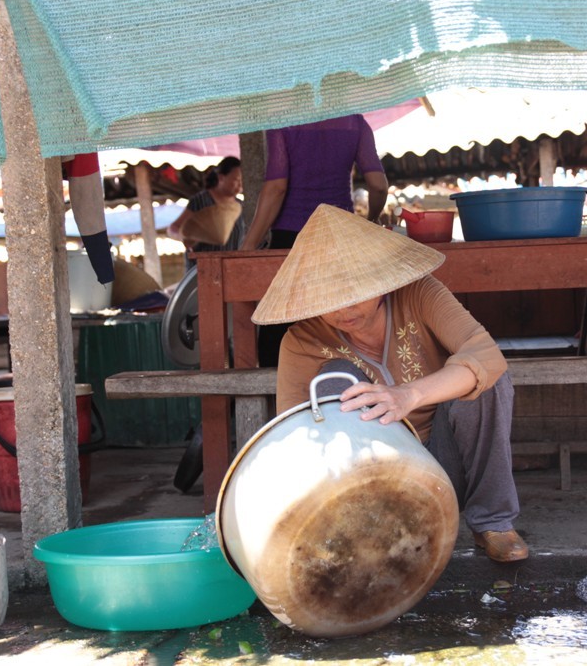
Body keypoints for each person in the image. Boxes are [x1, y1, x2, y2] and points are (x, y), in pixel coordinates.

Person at [250, 204, 528, 563]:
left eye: (356, 291)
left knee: (487, 380)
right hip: (379, 485)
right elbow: (294, 434)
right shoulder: (301, 342)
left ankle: (493, 523)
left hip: (450, 460)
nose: (344, 308)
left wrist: (408, 395)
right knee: (333, 383)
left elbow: (487, 355)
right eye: (329, 299)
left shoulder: (418, 294)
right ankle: (372, 533)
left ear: (382, 280)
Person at [240, 114, 389, 367]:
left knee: (280, 327)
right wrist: (372, 219)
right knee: (336, 321)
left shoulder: (283, 122)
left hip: (290, 241)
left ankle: (279, 397)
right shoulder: (355, 122)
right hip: (338, 236)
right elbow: (379, 185)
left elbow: (276, 188)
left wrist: (249, 245)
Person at [168, 156, 244, 269]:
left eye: (242, 181)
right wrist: (185, 237)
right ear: (221, 177)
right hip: (201, 269)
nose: (240, 185)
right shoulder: (200, 201)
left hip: (231, 268)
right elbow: (173, 228)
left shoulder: (240, 206)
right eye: (236, 180)